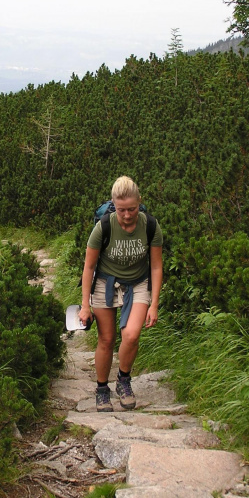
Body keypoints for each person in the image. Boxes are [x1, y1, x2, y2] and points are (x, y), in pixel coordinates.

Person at [78, 176, 163, 412]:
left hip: (137, 282)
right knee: (106, 339)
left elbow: (156, 266)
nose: (127, 215)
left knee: (132, 335)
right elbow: (88, 267)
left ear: (140, 203)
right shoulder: (103, 227)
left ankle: (123, 380)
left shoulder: (151, 226)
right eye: (122, 210)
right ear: (114, 205)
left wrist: (154, 304)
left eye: (132, 209)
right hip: (105, 282)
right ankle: (102, 389)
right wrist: (85, 305)